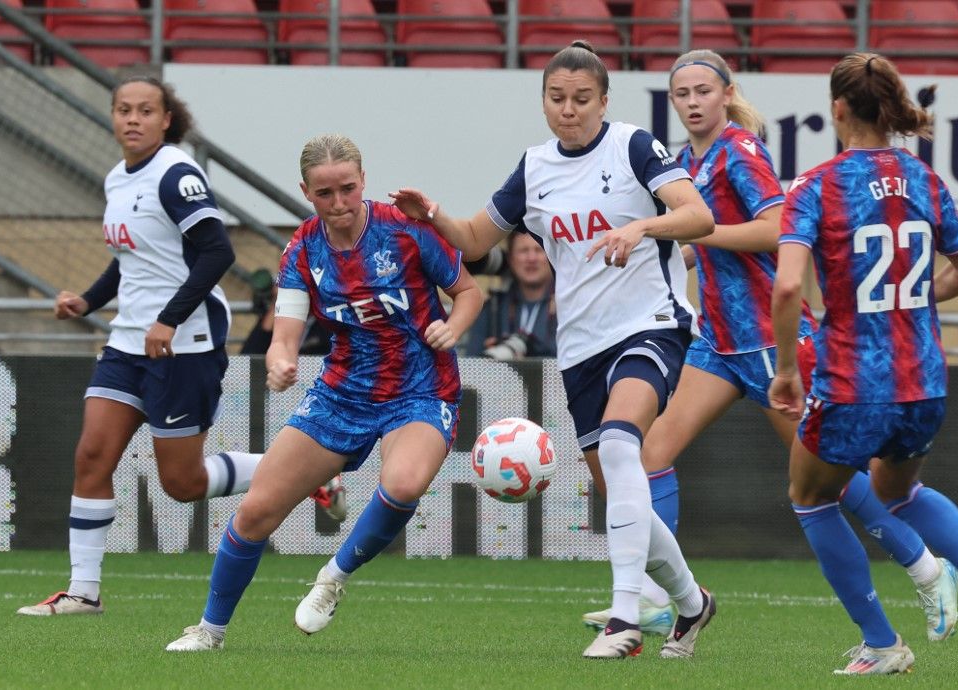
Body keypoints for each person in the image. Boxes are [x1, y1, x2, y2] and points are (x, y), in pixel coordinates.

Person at [584, 49, 958, 644]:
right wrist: (667, 252)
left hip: (770, 337)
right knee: (649, 455)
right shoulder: (686, 162)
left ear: (726, 93)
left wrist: (699, 233)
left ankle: (926, 569)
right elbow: (704, 243)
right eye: (680, 93)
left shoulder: (740, 150)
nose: (691, 102)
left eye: (703, 91)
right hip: (718, 339)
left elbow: (771, 227)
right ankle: (662, 596)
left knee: (829, 482)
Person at [392, 40, 717, 659]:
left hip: (651, 324)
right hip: (581, 348)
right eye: (557, 98)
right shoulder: (535, 167)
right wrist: (433, 214)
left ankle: (625, 617)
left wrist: (642, 225)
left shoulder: (633, 147)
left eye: (582, 99)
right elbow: (475, 241)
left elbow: (697, 216)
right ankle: (693, 604)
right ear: (544, 100)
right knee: (615, 485)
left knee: (623, 442)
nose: (569, 110)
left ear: (604, 100)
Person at [164, 133, 483, 652]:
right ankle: (210, 630)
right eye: (325, 193)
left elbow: (469, 292)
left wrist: (454, 327)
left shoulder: (405, 230)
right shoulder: (302, 248)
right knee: (255, 511)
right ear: (306, 192)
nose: (339, 203)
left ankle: (333, 576)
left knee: (403, 483)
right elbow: (285, 334)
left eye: (348, 189)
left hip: (421, 388)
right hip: (342, 393)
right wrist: (281, 361)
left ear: (363, 181)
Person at [16, 76, 263, 616]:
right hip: (129, 341)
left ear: (166, 119)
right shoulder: (116, 178)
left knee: (182, 482)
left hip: (183, 342)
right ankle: (84, 592)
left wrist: (169, 321)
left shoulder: (176, 175)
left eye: (145, 110)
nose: (133, 119)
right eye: (123, 110)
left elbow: (217, 252)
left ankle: (299, 469)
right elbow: (129, 258)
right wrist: (86, 301)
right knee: (91, 455)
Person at [770, 52, 958, 674]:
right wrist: (913, 298)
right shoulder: (923, 178)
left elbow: (786, 288)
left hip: (852, 380)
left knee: (811, 497)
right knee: (898, 490)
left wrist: (785, 369)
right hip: (924, 380)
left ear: (838, 109)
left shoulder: (817, 186)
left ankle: (884, 645)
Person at [240, 269, 348, 522]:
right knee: (185, 483)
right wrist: (274, 312)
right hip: (290, 400)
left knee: (187, 482)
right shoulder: (284, 317)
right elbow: (249, 356)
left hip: (333, 399)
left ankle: (312, 474)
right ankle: (312, 476)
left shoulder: (330, 317)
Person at [464, 231, 557, 359]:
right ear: (511, 259)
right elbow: (472, 364)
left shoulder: (568, 305)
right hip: (500, 379)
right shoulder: (492, 308)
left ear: (552, 257)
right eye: (523, 251)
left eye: (539, 250)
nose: (531, 258)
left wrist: (531, 351)